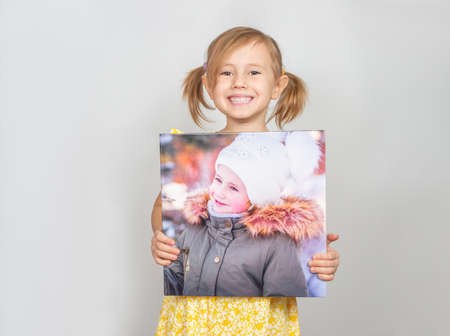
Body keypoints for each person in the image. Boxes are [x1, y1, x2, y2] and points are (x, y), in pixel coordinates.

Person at [151, 26, 340, 336]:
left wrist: (319, 261)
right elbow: (163, 220)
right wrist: (160, 238)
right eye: (226, 73)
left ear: (278, 85)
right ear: (208, 85)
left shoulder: (278, 224)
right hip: (192, 322)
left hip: (256, 326)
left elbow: (298, 277)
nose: (239, 82)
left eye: (253, 72)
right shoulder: (188, 166)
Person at [164, 133, 324, 297]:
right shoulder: (197, 227)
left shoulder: (277, 244)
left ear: (257, 199)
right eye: (218, 180)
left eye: (233, 188)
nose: (220, 192)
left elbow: (282, 307)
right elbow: (174, 277)